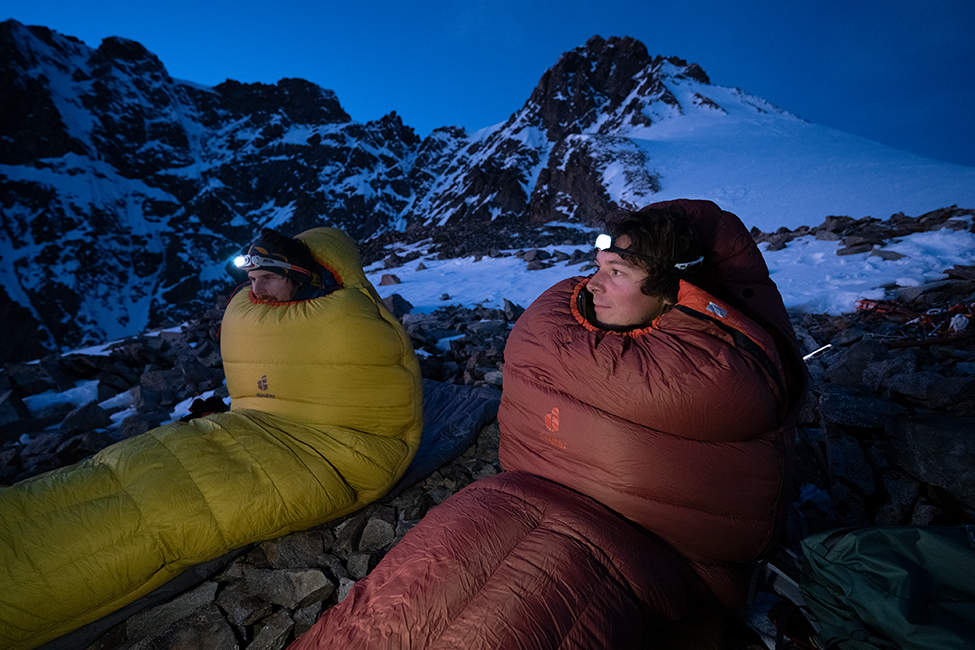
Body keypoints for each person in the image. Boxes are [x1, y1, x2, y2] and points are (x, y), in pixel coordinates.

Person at [233, 228, 338, 302]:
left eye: (268, 277)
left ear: (298, 279)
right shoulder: (251, 319)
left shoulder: (334, 314)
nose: (257, 290)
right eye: (253, 280)